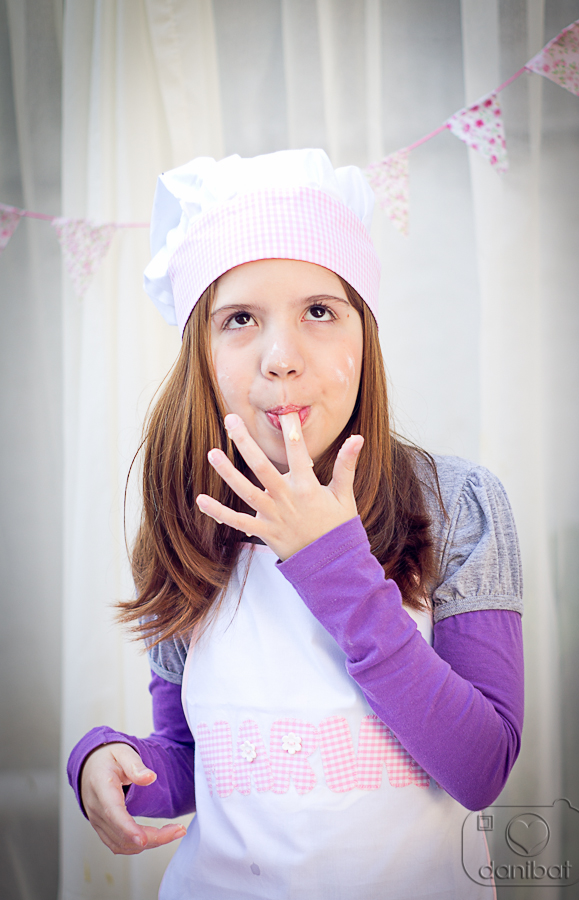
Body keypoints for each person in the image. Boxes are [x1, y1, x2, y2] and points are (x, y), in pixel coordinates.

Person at [68, 149, 524, 899]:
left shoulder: (457, 504)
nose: (281, 358)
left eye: (319, 310)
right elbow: (193, 760)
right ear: (200, 354)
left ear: (363, 334)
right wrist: (105, 761)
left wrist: (332, 562)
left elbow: (481, 770)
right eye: (240, 319)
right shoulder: (188, 520)